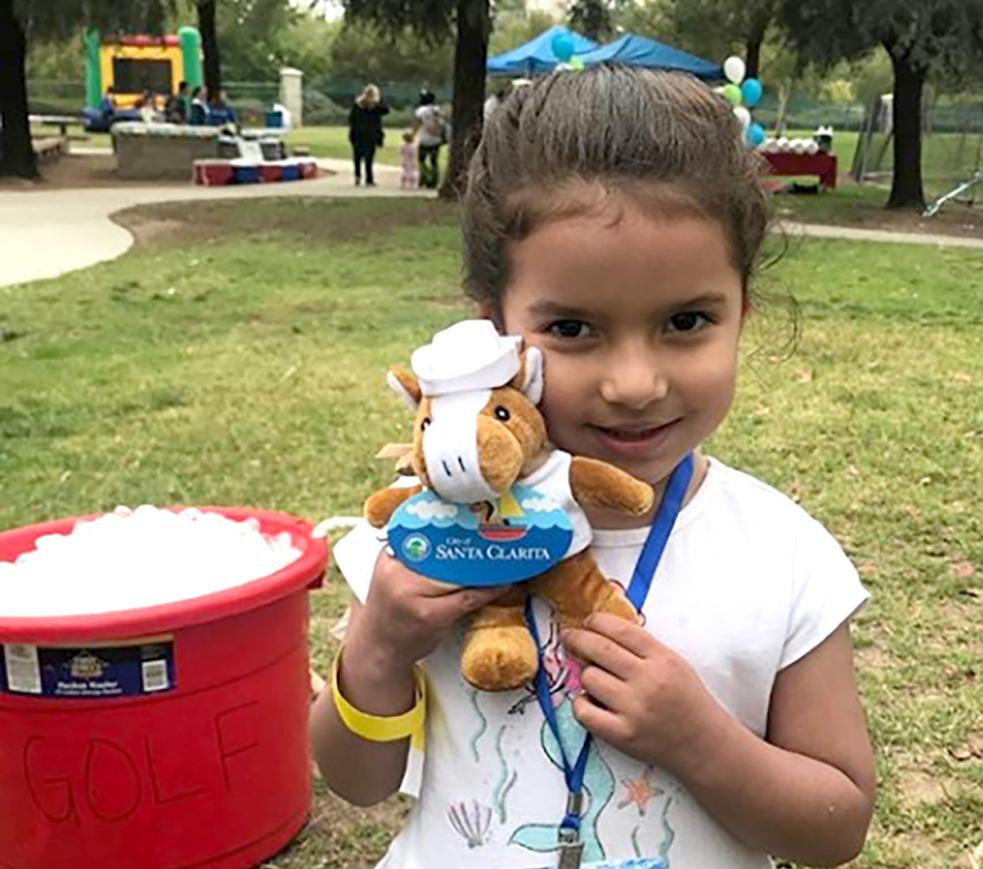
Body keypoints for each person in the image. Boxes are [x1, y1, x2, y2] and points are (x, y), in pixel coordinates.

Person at [311, 66, 875, 869]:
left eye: (687, 320)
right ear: (493, 335)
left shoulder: (783, 555)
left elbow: (837, 827)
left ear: (740, 311)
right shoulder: (423, 539)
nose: (634, 383)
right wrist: (376, 647)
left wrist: (700, 738)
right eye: (573, 327)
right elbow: (355, 781)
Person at [348, 83, 390, 187]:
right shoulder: (377, 107)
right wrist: (378, 101)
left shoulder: (357, 105)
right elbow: (386, 109)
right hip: (372, 134)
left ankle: (357, 176)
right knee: (369, 157)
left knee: (357, 156)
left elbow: (351, 119)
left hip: (358, 133)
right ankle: (369, 179)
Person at [413, 90, 446, 189]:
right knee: (434, 161)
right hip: (436, 139)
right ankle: (434, 180)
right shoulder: (437, 110)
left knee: (421, 160)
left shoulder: (420, 111)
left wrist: (412, 134)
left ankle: (424, 177)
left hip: (424, 139)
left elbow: (417, 124)